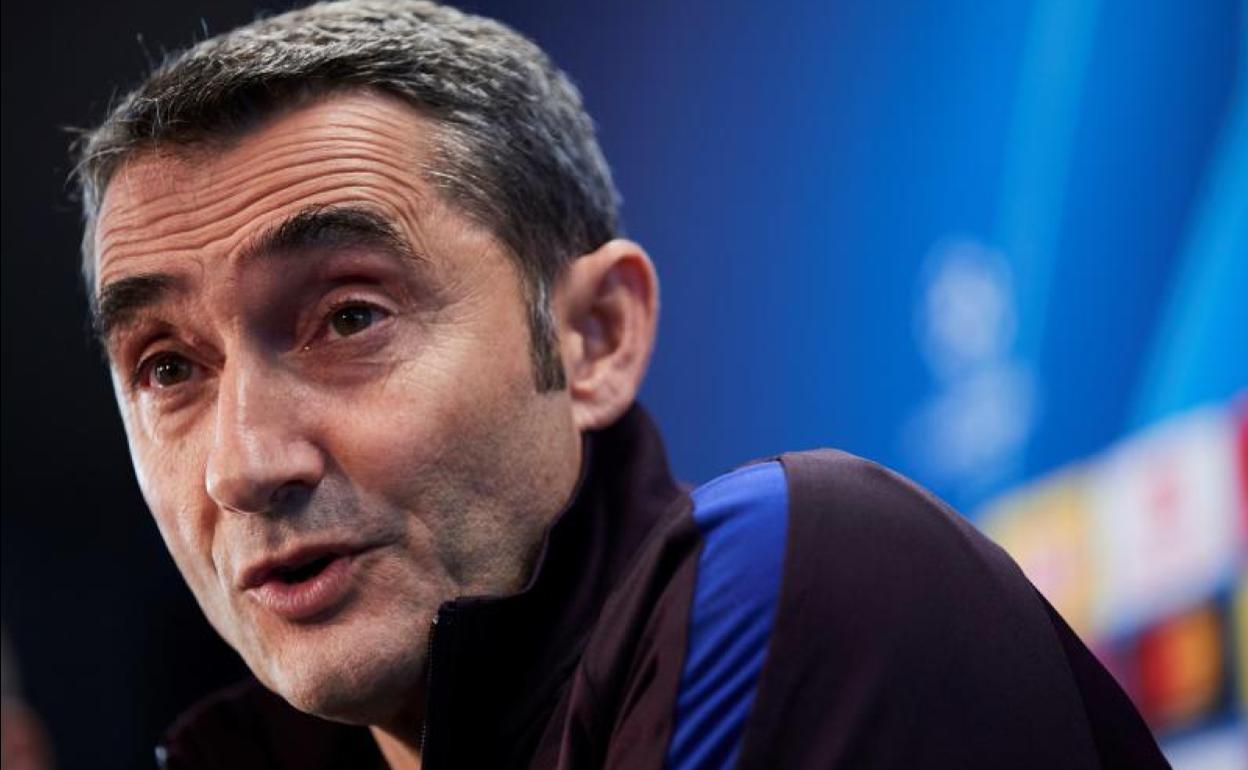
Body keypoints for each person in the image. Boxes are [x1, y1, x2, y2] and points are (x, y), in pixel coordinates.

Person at [73, 1, 1169, 768]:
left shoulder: (821, 570)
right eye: (168, 368)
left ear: (593, 336)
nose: (243, 464)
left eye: (350, 316)